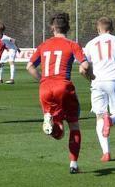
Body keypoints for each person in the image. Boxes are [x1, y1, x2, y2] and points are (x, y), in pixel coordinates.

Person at [26, 13, 89, 174]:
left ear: (52, 28)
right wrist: (92, 75)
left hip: (45, 88)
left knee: (59, 131)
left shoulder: (44, 45)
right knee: (74, 125)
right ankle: (73, 164)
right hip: (63, 86)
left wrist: (42, 80)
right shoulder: (72, 44)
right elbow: (85, 65)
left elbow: (29, 67)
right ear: (67, 27)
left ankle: (52, 123)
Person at [83, 17, 115, 163]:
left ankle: (106, 153)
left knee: (99, 116)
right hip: (114, 80)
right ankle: (110, 119)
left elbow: (83, 67)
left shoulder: (91, 43)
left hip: (97, 82)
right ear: (111, 28)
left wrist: (90, 78)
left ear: (98, 29)